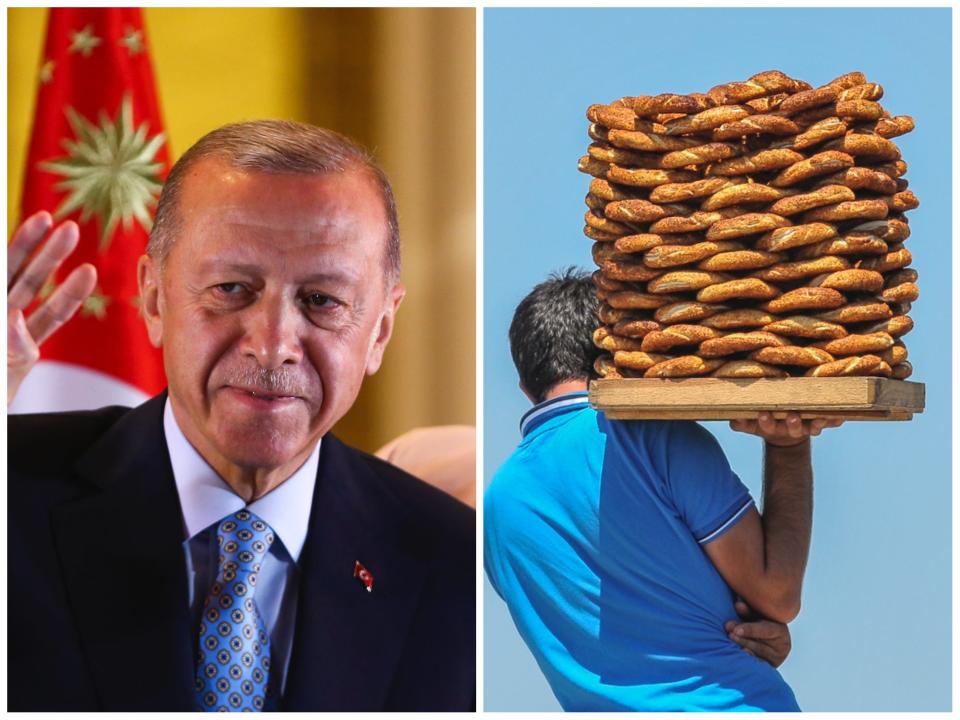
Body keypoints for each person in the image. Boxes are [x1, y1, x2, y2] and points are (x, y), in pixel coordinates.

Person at [8, 120, 474, 712]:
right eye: (231, 288)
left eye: (322, 300)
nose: (273, 342)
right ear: (154, 299)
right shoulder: (13, 494)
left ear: (380, 329)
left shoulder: (457, 568)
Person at [484, 268, 841, 711]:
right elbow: (776, 593)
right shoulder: (651, 437)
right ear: (611, 355)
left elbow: (616, 620)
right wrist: (788, 443)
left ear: (524, 384)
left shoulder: (498, 505)